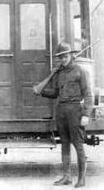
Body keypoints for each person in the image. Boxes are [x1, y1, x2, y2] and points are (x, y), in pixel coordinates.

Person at [34, 42, 93, 188]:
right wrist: (41, 92)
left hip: (75, 111)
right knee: (65, 144)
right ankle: (66, 177)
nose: (63, 59)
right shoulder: (59, 73)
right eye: (61, 57)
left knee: (78, 144)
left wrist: (86, 114)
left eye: (65, 56)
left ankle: (81, 179)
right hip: (61, 111)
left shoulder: (81, 71)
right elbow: (55, 93)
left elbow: (89, 95)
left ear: (71, 55)